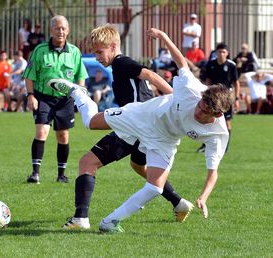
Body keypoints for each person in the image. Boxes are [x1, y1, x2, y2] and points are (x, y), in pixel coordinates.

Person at [48, 27, 233, 233]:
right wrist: (164, 37)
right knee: (91, 124)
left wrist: (203, 197)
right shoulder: (193, 91)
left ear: (217, 116)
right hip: (143, 117)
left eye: (205, 111)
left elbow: (213, 172)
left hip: (166, 138)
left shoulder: (218, 134)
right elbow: (181, 61)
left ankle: (109, 222)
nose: (198, 111)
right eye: (199, 105)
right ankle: (78, 93)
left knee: (154, 186)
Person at [61, 24, 193, 230]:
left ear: (113, 46)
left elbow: (151, 75)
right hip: (145, 127)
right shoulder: (118, 66)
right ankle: (178, 202)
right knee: (138, 166)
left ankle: (80, 219)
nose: (96, 57)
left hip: (135, 127)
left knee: (87, 162)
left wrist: (175, 100)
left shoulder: (122, 62)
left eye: (99, 51)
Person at [23, 15, 88, 184]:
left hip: (65, 100)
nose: (60, 31)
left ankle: (61, 175)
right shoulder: (40, 50)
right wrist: (31, 96)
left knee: (63, 136)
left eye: (63, 28)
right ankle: (35, 173)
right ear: (51, 30)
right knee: (41, 131)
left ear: (68, 30)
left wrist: (79, 94)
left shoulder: (74, 52)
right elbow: (29, 75)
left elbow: (81, 76)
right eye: (57, 28)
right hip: (42, 98)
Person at [196, 43, 239, 153]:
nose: (221, 54)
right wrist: (207, 93)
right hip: (213, 98)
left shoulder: (231, 65)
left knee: (227, 121)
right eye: (219, 51)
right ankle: (205, 145)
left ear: (227, 53)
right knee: (208, 119)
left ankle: (225, 147)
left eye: (223, 52)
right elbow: (208, 80)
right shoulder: (211, 64)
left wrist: (237, 99)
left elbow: (236, 83)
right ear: (216, 53)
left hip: (225, 99)